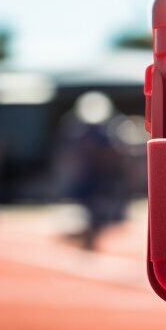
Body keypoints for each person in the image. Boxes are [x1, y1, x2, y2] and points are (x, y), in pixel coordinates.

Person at [56, 91, 129, 251]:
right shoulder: (80, 131)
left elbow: (114, 156)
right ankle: (87, 235)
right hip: (88, 179)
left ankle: (90, 235)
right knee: (86, 210)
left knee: (98, 213)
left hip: (101, 179)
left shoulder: (107, 132)